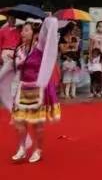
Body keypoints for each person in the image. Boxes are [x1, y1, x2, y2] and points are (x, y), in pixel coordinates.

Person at [0, 17, 60, 163]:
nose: (23, 33)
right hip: (22, 89)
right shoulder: (19, 50)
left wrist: (46, 20)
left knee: (37, 124)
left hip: (37, 90)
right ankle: (22, 148)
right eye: (22, 30)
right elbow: (14, 68)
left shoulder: (39, 48)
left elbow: (50, 26)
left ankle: (38, 149)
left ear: (34, 33)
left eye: (26, 30)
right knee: (19, 122)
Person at [58, 22, 82, 99]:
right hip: (64, 59)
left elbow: (76, 49)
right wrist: (70, 46)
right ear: (69, 29)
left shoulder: (75, 38)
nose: (75, 31)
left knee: (72, 77)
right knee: (62, 76)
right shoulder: (62, 38)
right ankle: (62, 91)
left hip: (73, 60)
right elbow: (62, 50)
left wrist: (68, 47)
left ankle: (71, 93)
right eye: (73, 29)